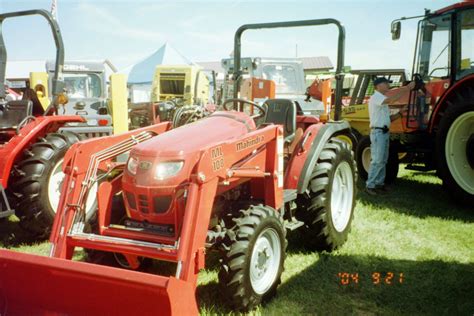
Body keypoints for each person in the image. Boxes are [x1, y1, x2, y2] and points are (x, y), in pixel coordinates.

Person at [365, 77, 415, 196]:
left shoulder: (381, 100)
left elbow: (389, 119)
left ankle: (379, 184)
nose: (388, 85)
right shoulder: (376, 97)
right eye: (386, 83)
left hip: (383, 132)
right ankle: (370, 185)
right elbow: (391, 100)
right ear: (378, 86)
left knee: (382, 160)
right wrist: (407, 88)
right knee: (377, 160)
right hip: (378, 133)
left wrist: (400, 113)